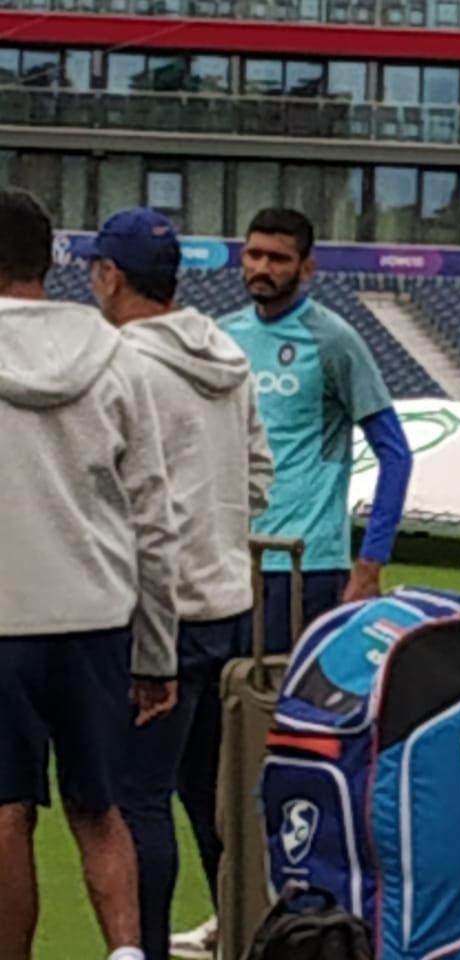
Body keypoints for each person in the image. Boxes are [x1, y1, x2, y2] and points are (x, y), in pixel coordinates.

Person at [88, 208, 275, 960]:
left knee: (138, 802)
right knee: (213, 801)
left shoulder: (116, 362)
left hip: (155, 613)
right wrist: (220, 534)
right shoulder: (226, 351)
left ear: (111, 276)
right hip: (228, 604)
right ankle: (246, 937)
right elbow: (260, 473)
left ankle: (152, 952)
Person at [0, 189, 179, 960]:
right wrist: (159, 648)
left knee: (6, 815)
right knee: (100, 809)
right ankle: (128, 953)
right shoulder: (114, 356)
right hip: (97, 617)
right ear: (54, 260)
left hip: (5, 618)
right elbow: (154, 513)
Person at [219, 208, 411, 652]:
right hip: (230, 562)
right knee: (226, 706)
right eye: (254, 255)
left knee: (283, 709)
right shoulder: (222, 336)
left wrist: (369, 566)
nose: (262, 268)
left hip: (305, 564)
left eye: (278, 259)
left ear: (307, 268)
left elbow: (395, 454)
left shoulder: (332, 340)